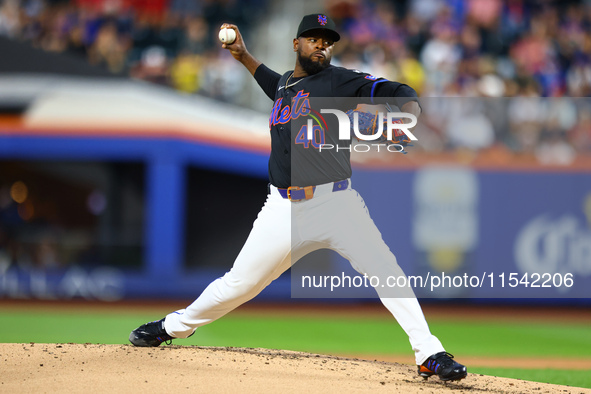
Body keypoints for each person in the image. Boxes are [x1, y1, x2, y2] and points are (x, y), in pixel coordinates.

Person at [129, 14, 468, 382]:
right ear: (296, 44)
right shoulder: (286, 86)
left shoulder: (339, 80)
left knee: (387, 273)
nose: (321, 45)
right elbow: (272, 82)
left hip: (336, 204)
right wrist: (243, 56)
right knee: (239, 285)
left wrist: (408, 110)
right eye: (313, 38)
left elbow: (397, 91)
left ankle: (429, 352)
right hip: (282, 208)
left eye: (327, 40)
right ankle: (172, 327)